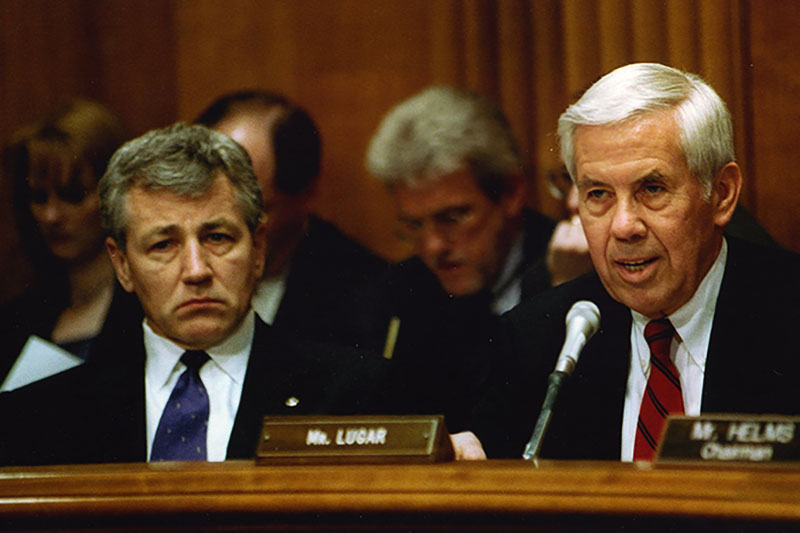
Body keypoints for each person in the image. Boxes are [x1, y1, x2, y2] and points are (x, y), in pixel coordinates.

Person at [467, 63, 800, 460]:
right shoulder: (537, 342)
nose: (623, 226)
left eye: (653, 188)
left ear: (722, 194)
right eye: (598, 194)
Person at [0, 123, 387, 466]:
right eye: (163, 245)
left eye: (218, 238)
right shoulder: (43, 416)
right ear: (122, 266)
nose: (197, 270)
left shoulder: (360, 395)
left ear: (258, 249)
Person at [352, 86, 556, 432]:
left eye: (453, 217)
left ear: (511, 192)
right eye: (414, 225)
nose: (433, 247)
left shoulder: (565, 268)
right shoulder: (398, 294)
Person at [195, 91, 388, 345]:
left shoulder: (365, 293)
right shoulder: (165, 271)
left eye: (252, 213)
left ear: (306, 194)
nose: (223, 232)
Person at [0, 99, 140, 389]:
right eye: (39, 197)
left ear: (112, 194)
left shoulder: (145, 307)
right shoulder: (19, 316)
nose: (51, 216)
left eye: (72, 195)